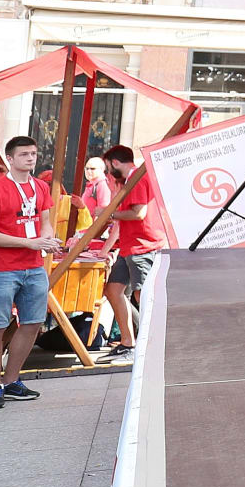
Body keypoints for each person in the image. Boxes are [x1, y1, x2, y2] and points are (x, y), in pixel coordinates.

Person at [0, 136, 63, 410]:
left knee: (33, 323)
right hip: (1, 268)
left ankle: (11, 381)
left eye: (33, 153)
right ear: (10, 159)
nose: (31, 158)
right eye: (24, 154)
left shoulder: (40, 187)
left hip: (33, 266)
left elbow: (45, 222)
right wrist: (29, 243)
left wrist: (46, 239)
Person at [97, 145, 164, 362]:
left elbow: (138, 213)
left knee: (141, 295)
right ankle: (128, 342)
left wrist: (108, 213)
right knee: (113, 290)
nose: (108, 173)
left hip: (143, 245)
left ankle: (149, 345)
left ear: (115, 162)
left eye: (108, 167)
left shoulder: (137, 178)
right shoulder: (129, 181)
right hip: (130, 246)